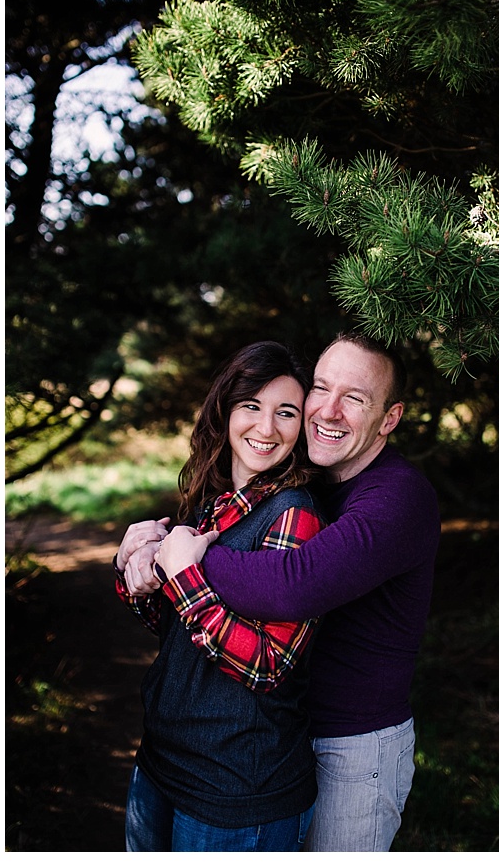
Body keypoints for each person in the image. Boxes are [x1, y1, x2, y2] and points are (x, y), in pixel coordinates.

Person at [121, 331, 440, 852]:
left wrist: (184, 559)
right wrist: (143, 558)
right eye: (321, 388)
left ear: (390, 418)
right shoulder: (299, 480)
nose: (329, 411)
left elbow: (297, 583)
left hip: (351, 744)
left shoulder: (397, 497)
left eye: (355, 398)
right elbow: (188, 617)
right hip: (281, 733)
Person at [114, 340, 326, 851]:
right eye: (251, 406)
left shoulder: (294, 515)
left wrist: (184, 576)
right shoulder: (211, 501)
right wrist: (134, 567)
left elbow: (268, 665)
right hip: (162, 762)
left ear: (302, 427)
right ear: (226, 410)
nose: (266, 427)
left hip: (239, 789)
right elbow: (177, 628)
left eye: (286, 413)